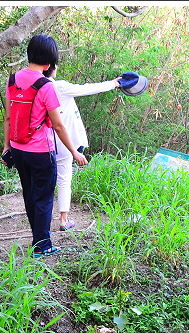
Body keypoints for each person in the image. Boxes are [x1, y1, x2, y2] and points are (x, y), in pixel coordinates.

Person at [2, 34, 87, 257]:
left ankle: (37, 239)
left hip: (18, 149)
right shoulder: (46, 85)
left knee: (30, 195)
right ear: (49, 63)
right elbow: (58, 126)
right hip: (40, 151)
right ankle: (42, 245)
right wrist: (73, 152)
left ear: (29, 54)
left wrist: (6, 147)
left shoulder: (12, 80)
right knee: (44, 198)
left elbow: (8, 118)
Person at [42, 66, 120, 231]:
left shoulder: (35, 86)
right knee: (64, 180)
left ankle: (43, 221)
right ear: (51, 67)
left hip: (42, 141)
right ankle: (63, 220)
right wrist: (113, 84)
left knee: (45, 181)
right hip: (63, 141)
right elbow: (87, 89)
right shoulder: (59, 86)